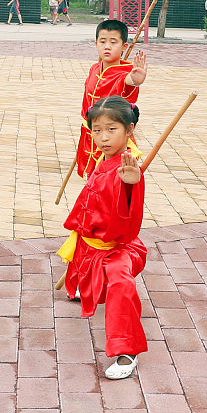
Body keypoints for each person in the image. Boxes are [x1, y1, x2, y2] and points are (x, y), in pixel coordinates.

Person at [57, 96, 148, 380]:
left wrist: (131, 184)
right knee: (82, 273)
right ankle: (83, 289)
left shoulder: (128, 167)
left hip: (119, 247)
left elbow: (130, 217)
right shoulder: (103, 158)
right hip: (90, 241)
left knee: (121, 283)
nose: (103, 137)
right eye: (97, 130)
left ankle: (127, 351)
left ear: (129, 130)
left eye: (112, 129)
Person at [76, 19, 147, 179]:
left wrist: (136, 80)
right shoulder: (95, 68)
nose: (107, 46)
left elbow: (129, 82)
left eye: (113, 42)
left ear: (124, 47)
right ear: (96, 44)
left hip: (111, 138)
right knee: (91, 182)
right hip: (90, 135)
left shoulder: (125, 73)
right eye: (103, 41)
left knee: (109, 180)